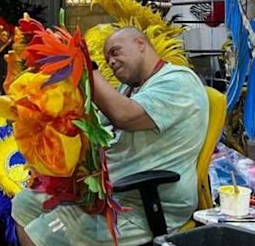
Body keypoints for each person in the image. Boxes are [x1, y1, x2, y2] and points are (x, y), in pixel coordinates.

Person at [12, 27, 209, 246]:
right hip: (106, 193)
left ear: (140, 44)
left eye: (116, 52)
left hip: (142, 203)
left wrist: (84, 65)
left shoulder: (179, 81)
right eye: (106, 60)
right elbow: (93, 127)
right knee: (24, 203)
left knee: (42, 232)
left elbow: (124, 116)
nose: (111, 62)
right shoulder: (128, 89)